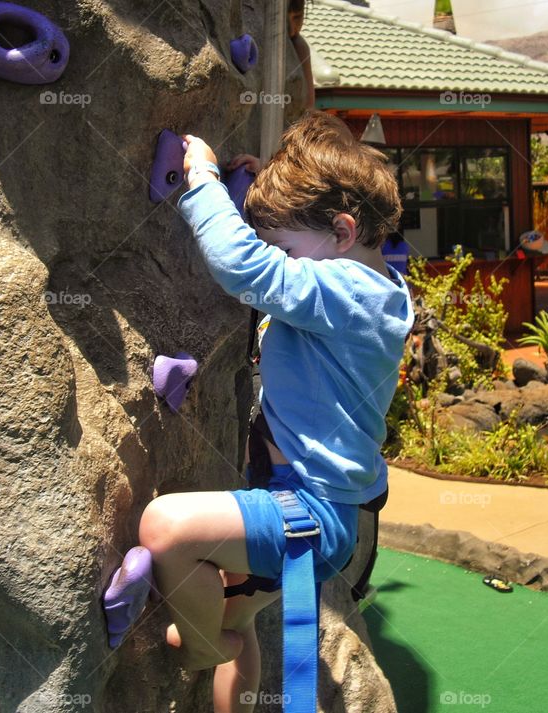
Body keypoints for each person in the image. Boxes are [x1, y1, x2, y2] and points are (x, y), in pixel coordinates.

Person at [113, 112, 414, 713]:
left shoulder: (350, 290)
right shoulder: (365, 283)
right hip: (300, 502)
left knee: (164, 529)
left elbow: (245, 269)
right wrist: (250, 197)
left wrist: (200, 182)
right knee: (240, 621)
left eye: (287, 249)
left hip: (308, 512)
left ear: (344, 231)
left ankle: (203, 648)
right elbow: (282, 264)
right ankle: (221, 657)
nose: (281, 261)